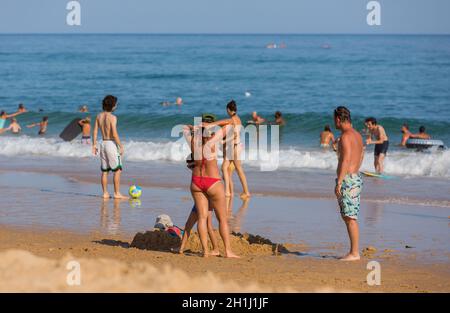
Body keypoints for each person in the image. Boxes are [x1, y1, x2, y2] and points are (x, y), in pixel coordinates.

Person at [183, 114, 239, 258]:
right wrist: (212, 125)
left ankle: (206, 251)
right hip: (212, 182)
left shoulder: (194, 143)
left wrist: (193, 128)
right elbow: (231, 123)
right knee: (222, 220)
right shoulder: (213, 141)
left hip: (196, 182)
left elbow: (184, 128)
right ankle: (227, 251)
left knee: (202, 218)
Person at [334, 106, 364, 261]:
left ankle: (354, 253)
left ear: (338, 119)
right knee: (349, 216)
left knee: (350, 217)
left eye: (335, 120)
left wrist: (339, 182)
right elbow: (360, 155)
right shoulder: (357, 135)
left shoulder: (345, 136)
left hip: (348, 179)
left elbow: (345, 160)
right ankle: (354, 251)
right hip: (355, 177)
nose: (334, 123)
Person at [204, 100, 251, 199]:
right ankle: (228, 192)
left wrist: (209, 125)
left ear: (229, 110)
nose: (227, 112)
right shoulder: (238, 119)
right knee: (225, 167)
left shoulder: (232, 120)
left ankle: (246, 192)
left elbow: (228, 129)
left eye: (227, 110)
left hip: (235, 147)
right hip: (235, 146)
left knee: (238, 169)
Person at [92, 95, 127, 200]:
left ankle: (105, 193)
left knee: (105, 171)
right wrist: (121, 146)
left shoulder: (99, 116)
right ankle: (117, 193)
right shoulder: (113, 117)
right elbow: (115, 134)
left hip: (102, 143)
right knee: (117, 170)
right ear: (113, 106)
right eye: (116, 104)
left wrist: (94, 144)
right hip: (111, 144)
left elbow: (95, 131)